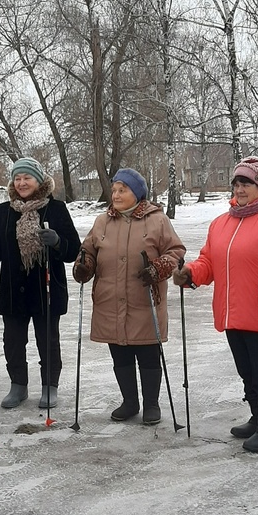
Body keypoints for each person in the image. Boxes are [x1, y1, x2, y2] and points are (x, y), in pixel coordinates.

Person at [172, 157, 258, 452]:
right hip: (231, 311)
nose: (240, 189)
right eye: (236, 183)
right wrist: (190, 273)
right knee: (246, 370)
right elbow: (209, 261)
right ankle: (257, 419)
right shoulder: (221, 223)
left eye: (247, 183)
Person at [73, 168, 185, 426]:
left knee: (147, 354)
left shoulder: (156, 219)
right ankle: (130, 402)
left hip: (144, 300)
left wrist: (158, 268)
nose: (116, 194)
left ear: (137, 193)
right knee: (120, 354)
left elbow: (175, 251)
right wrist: (84, 266)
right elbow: (88, 250)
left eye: (122, 189)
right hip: (109, 300)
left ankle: (151, 404)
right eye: (114, 190)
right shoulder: (102, 221)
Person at [0, 158, 81, 409]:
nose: (22, 183)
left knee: (47, 340)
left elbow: (73, 250)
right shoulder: (4, 211)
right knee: (13, 341)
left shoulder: (55, 209)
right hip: (13, 290)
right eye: (18, 178)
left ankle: (49, 386)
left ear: (39, 180)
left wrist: (57, 242)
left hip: (46, 289)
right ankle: (18, 386)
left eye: (27, 178)